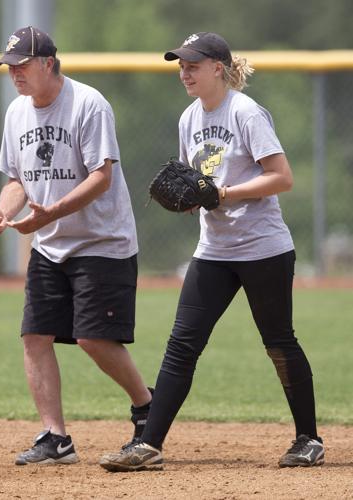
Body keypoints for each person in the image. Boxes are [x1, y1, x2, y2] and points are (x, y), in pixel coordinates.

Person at [99, 32, 324, 472]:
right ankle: (148, 445)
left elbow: (281, 177)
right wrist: (191, 199)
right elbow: (200, 185)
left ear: (217, 68)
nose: (184, 73)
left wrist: (226, 192)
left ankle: (308, 439)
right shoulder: (188, 118)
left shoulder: (245, 111)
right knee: (182, 344)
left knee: (278, 341)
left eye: (192, 65)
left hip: (263, 248)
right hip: (215, 249)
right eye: (180, 66)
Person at [0, 26, 153, 466]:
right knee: (35, 335)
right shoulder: (17, 112)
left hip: (101, 241)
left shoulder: (88, 104)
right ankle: (56, 438)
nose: (14, 72)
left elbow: (101, 176)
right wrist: (3, 210)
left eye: (22, 64)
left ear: (48, 63)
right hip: (50, 244)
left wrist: (49, 214)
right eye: (9, 66)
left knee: (93, 338)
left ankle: (147, 406)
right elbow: (16, 179)